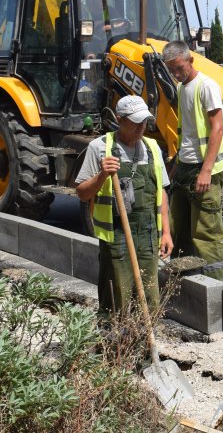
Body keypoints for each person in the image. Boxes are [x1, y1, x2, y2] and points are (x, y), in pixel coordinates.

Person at [75, 95, 173, 315]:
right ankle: (115, 344)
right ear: (119, 119)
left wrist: (166, 232)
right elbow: (82, 193)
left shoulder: (153, 148)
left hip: (148, 236)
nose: (141, 127)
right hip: (116, 236)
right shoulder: (99, 147)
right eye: (135, 121)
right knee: (117, 297)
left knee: (149, 297)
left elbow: (162, 193)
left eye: (144, 121)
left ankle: (145, 343)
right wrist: (102, 175)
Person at [161, 40, 223, 282]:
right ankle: (183, 280)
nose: (175, 73)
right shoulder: (183, 87)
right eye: (171, 70)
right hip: (186, 166)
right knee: (178, 226)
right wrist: (177, 162)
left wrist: (206, 171)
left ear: (190, 60)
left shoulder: (206, 86)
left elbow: (216, 129)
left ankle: (216, 285)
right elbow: (187, 131)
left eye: (179, 68)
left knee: (207, 231)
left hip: (204, 169)